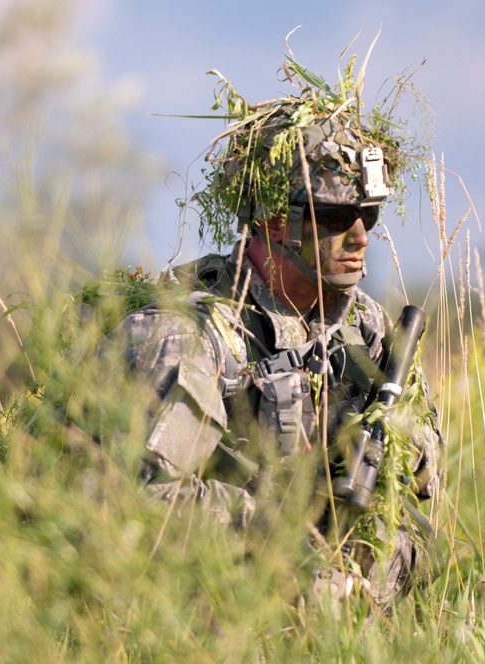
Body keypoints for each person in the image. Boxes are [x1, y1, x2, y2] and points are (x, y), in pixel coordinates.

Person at [109, 74, 444, 611]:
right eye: (334, 217)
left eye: (369, 215)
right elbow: (132, 503)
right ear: (269, 221)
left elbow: (421, 505)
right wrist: (283, 545)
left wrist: (360, 579)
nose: (360, 237)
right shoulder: (190, 335)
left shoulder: (373, 334)